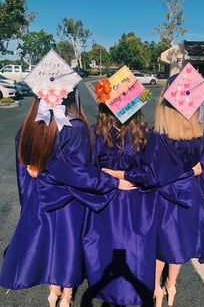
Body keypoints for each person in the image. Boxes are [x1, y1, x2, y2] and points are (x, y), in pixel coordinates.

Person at [0, 89, 133, 307]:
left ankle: (54, 293)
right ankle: (67, 296)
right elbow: (79, 173)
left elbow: (26, 165)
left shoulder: (31, 126)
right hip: (69, 202)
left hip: (42, 199)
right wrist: (114, 183)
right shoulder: (75, 128)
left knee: (52, 246)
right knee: (68, 249)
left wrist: (33, 189)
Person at [103, 77, 204, 307]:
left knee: (160, 247)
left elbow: (151, 175)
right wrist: (191, 173)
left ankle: (156, 287)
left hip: (165, 200)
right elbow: (202, 169)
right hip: (189, 200)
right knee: (178, 245)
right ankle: (171, 284)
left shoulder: (160, 136)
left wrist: (120, 174)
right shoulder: (200, 133)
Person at [82, 103, 158, 306]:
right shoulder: (94, 134)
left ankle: (130, 296)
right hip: (107, 203)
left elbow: (152, 172)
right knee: (107, 251)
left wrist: (124, 176)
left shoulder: (143, 133)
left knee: (135, 255)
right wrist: (115, 182)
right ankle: (116, 296)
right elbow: (88, 171)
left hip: (136, 202)